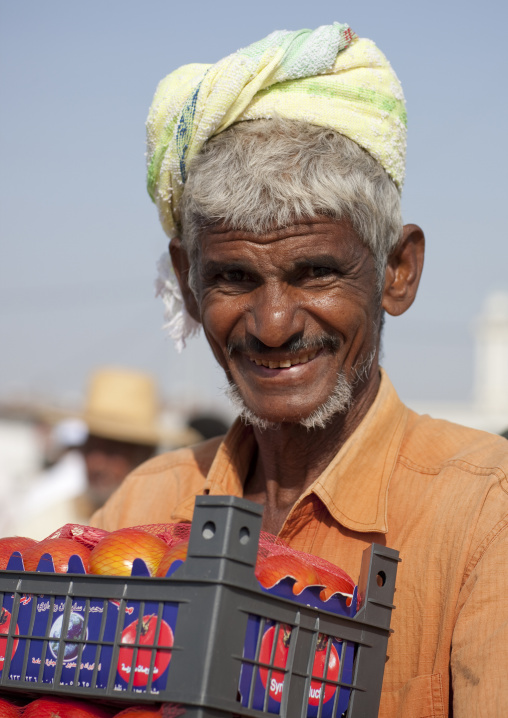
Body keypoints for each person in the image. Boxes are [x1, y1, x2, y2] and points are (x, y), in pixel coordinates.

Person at [91, 23, 508, 717]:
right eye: (231, 277)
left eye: (315, 273)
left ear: (397, 272)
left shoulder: (482, 512)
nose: (274, 324)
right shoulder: (145, 504)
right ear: (188, 285)